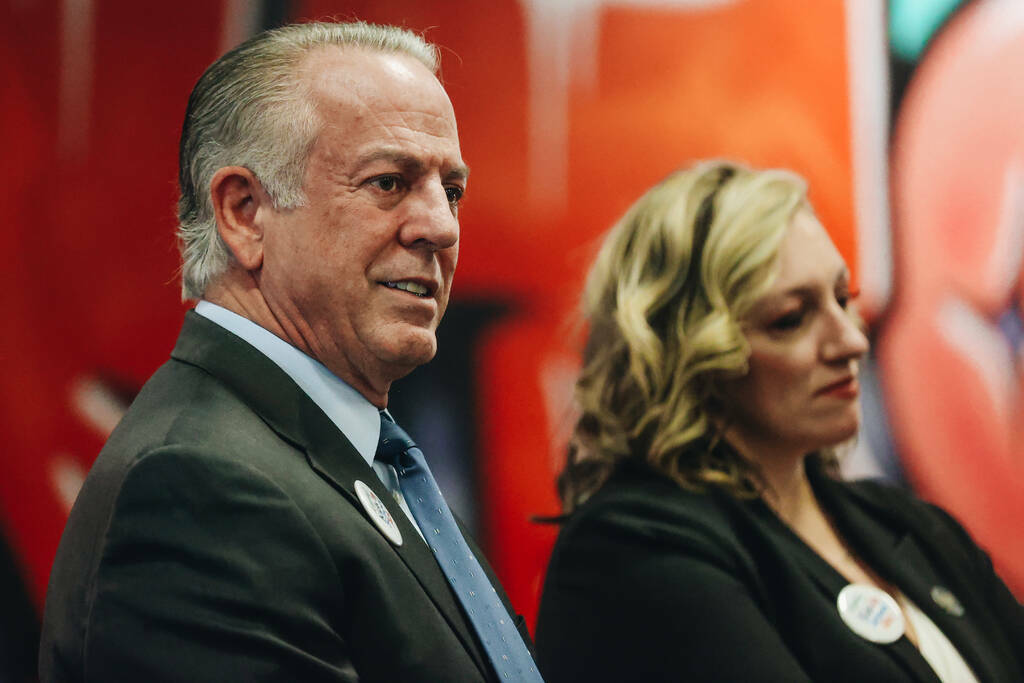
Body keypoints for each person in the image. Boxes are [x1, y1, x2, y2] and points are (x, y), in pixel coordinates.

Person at [39, 21, 541, 683]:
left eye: (451, 191)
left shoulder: (362, 458)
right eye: (389, 181)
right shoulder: (200, 486)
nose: (442, 227)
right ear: (245, 213)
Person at [535, 160, 1024, 682]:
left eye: (843, 299)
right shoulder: (635, 550)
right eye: (791, 319)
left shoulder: (909, 527)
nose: (852, 341)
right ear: (691, 354)